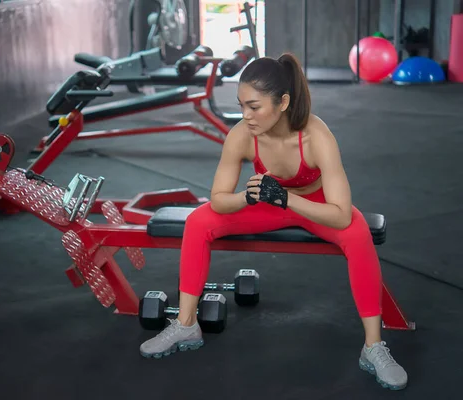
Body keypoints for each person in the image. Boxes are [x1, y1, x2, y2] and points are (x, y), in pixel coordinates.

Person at [139, 53, 408, 390]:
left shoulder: (316, 136)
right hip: (266, 204)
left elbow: (340, 212)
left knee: (356, 236)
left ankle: (373, 347)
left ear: (283, 102)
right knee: (198, 221)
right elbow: (219, 199)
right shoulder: (242, 135)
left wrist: (288, 199)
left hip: (315, 205)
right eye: (241, 105)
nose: (245, 115)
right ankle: (186, 322)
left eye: (254, 106)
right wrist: (246, 198)